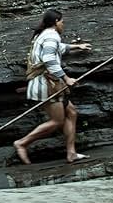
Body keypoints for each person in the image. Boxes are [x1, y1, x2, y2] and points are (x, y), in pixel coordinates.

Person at [13, 9, 92, 165]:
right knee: (57, 121)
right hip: (46, 83)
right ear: (56, 22)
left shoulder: (44, 35)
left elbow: (57, 48)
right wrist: (66, 78)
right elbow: (49, 58)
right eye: (62, 22)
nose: (63, 25)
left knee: (72, 113)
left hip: (49, 83)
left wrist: (77, 46)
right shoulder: (51, 35)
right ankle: (22, 143)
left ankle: (71, 153)